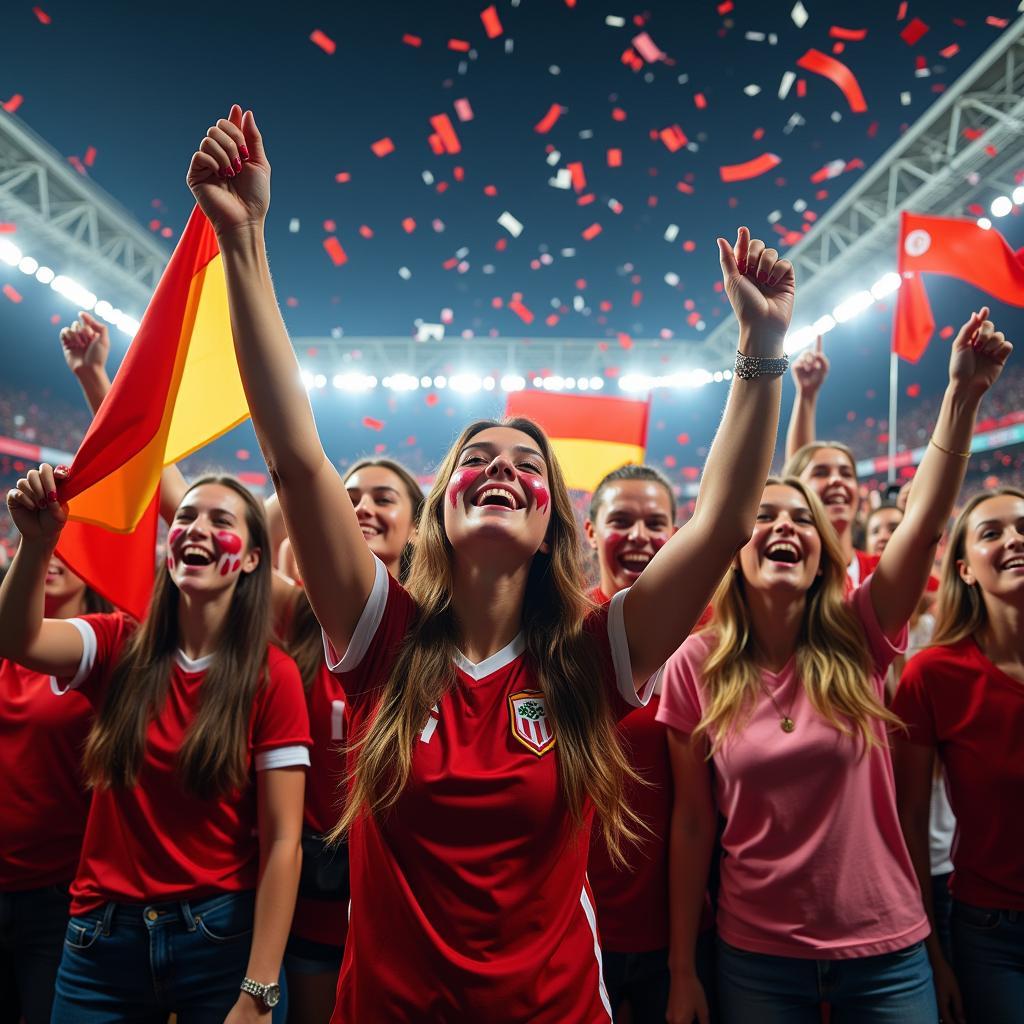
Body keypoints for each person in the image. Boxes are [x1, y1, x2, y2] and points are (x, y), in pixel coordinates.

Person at [186, 103, 795, 1022]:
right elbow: (296, 456)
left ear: (555, 522)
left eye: (527, 466)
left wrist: (760, 352)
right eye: (477, 459)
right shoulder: (379, 638)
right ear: (443, 510)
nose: (501, 470)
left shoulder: (595, 657)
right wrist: (246, 240)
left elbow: (721, 524)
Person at [659, 308, 1011, 1024]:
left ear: (824, 551)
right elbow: (693, 827)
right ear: (732, 544)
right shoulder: (694, 664)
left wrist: (961, 398)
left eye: (799, 519)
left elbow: (926, 521)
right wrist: (679, 969)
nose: (783, 526)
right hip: (754, 957)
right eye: (761, 515)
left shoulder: (863, 633)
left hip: (887, 954)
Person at [0, 468, 310, 1023]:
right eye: (185, 517)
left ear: (253, 559)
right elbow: (16, 638)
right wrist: (38, 541)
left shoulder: (273, 676)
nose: (194, 527)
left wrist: (259, 989)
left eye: (220, 520)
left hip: (221, 939)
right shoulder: (117, 641)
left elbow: (284, 840)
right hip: (100, 942)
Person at [283, 457, 422, 1024]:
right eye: (350, 497)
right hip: (317, 883)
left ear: (418, 524)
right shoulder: (298, 610)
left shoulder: (444, 626)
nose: (362, 508)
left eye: (383, 497)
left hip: (409, 889)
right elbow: (223, 532)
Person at [584, 465, 716, 1023]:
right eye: (621, 520)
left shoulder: (717, 638)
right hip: (580, 931)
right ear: (591, 533)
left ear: (677, 532)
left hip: (690, 931)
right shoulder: (561, 636)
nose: (639, 535)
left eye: (655, 522)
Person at [893, 486, 1024, 1024]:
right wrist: (932, 954)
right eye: (992, 533)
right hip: (991, 934)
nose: (1015, 539)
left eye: (1022, 527)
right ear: (965, 568)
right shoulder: (932, 675)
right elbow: (911, 821)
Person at [0, 557, 109, 1024]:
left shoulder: (109, 649)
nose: (53, 557)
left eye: (71, 546)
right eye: (46, 545)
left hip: (61, 899)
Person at [783, 336, 874, 587]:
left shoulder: (881, 572)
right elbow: (796, 474)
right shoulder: (786, 571)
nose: (836, 480)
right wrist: (806, 396)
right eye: (821, 473)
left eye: (846, 474)